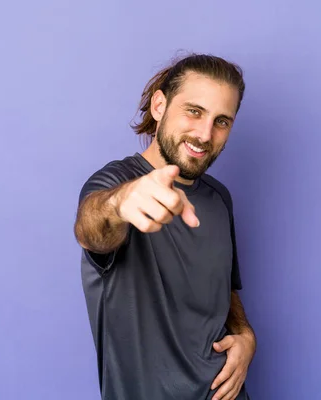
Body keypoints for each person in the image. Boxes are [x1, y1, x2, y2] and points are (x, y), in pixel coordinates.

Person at [74, 53, 256, 400]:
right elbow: (92, 228)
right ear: (160, 105)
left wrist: (245, 336)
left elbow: (223, 289)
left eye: (222, 121)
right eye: (194, 111)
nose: (205, 134)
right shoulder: (115, 183)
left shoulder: (220, 198)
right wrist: (121, 203)